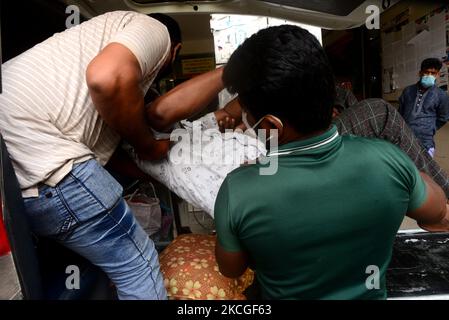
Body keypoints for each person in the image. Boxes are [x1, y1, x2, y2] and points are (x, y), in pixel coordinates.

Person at [213, 25, 448, 299]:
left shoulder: (239, 190)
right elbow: (435, 212)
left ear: (270, 127)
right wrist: (412, 174)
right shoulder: (389, 160)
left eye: (247, 115)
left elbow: (231, 268)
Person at [0, 11, 183, 300]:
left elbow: (101, 144)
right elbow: (107, 78)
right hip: (53, 166)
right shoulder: (154, 30)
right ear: (175, 52)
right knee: (138, 265)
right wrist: (148, 146)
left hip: (16, 181)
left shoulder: (82, 48)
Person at [399, 58, 449, 158]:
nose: (429, 75)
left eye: (433, 73)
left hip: (426, 143)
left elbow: (443, 117)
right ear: (420, 73)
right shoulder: (408, 91)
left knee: (424, 172)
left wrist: (430, 128)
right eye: (426, 72)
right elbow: (400, 113)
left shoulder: (441, 95)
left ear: (438, 75)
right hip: (404, 140)